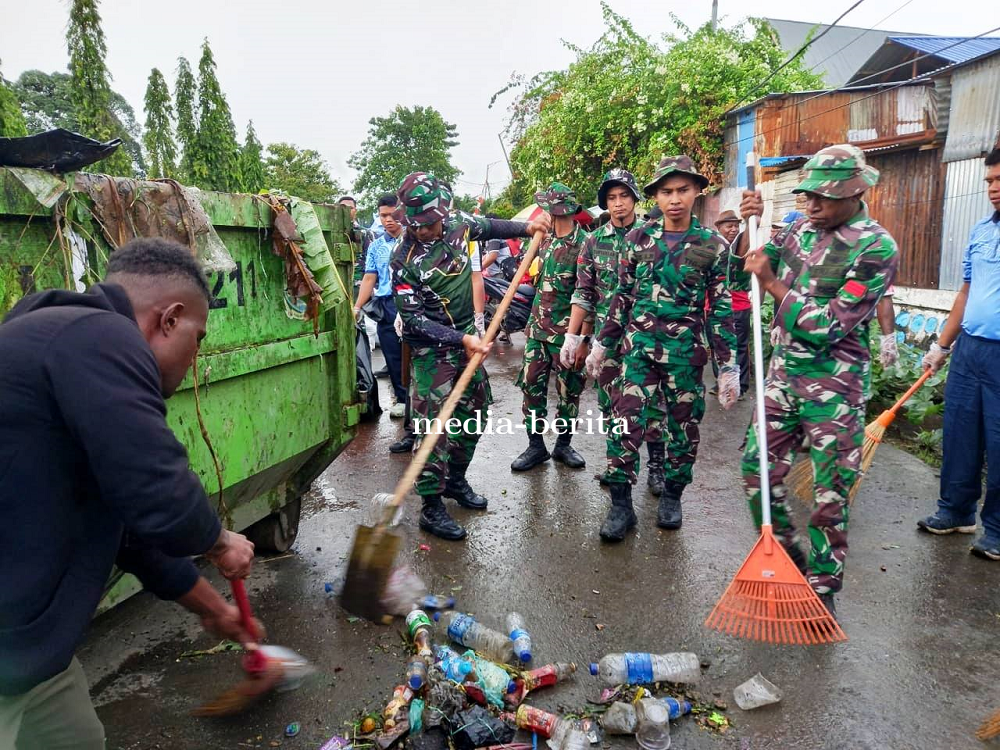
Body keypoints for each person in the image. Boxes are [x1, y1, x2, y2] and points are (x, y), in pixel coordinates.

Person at [0, 239, 258, 748]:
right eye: (197, 338)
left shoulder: (62, 340)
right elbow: (154, 486)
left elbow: (128, 521)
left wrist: (211, 607)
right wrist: (220, 540)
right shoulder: (101, 337)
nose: (196, 357)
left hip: (31, 656)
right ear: (169, 319)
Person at [735, 144, 899, 617]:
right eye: (807, 196)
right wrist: (754, 224)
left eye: (822, 197)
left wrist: (771, 284)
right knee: (755, 469)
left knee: (829, 496)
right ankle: (785, 557)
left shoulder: (875, 246)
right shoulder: (800, 230)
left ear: (855, 192)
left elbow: (828, 325)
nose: (811, 205)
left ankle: (823, 588)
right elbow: (747, 262)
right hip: (783, 379)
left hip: (836, 390)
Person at [586, 156, 739, 541]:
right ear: (655, 196)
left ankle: (672, 495)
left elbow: (720, 310)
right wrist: (602, 344)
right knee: (624, 425)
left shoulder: (713, 246)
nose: (675, 199)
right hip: (638, 353)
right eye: (667, 191)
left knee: (683, 430)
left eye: (683, 190)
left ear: (696, 192)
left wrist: (728, 367)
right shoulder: (640, 239)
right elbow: (621, 296)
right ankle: (621, 506)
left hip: (685, 356)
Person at [392, 172, 550, 540]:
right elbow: (413, 321)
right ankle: (431, 508)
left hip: (467, 342)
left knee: (475, 414)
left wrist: (528, 228)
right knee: (435, 430)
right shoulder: (403, 259)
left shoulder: (457, 224)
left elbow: (491, 225)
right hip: (433, 353)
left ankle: (455, 481)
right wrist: (461, 338)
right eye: (423, 225)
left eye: (434, 222)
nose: (430, 229)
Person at [562, 169, 669, 494]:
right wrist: (574, 336)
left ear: (636, 198)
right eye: (612, 198)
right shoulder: (594, 241)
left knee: (651, 408)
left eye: (624, 196)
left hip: (648, 338)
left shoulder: (656, 236)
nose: (619, 203)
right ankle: (618, 466)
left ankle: (656, 467)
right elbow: (585, 293)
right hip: (607, 342)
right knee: (611, 407)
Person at [917, 147, 1000, 560]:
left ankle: (998, 529)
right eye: (989, 181)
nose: (994, 188)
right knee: (960, 433)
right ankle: (956, 511)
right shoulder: (982, 231)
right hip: (969, 349)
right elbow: (965, 293)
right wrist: (941, 345)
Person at [511, 183, 589, 472]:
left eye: (547, 207)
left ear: (558, 209)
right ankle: (536, 446)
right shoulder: (544, 240)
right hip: (537, 331)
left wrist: (583, 338)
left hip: (567, 334)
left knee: (569, 390)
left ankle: (563, 445)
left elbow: (589, 293)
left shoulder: (585, 244)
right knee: (531, 387)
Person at [355, 194, 407, 418]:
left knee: (417, 352)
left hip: (413, 303)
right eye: (383, 215)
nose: (388, 220)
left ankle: (426, 401)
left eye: (393, 215)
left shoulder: (414, 240)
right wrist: (357, 307)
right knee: (392, 353)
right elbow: (369, 278)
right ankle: (402, 399)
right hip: (387, 304)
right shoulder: (376, 246)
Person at [715, 209, 751, 398]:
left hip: (738, 306)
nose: (733, 229)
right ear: (718, 227)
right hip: (714, 308)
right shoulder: (711, 246)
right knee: (718, 347)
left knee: (739, 347)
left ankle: (741, 386)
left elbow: (743, 249)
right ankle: (722, 384)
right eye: (729, 226)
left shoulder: (739, 246)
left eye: (736, 226)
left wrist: (753, 222)